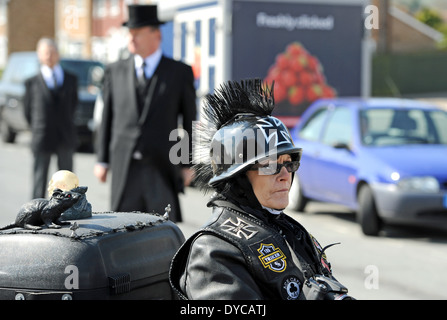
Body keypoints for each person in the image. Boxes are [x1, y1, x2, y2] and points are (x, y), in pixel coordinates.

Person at [169, 79, 353, 300]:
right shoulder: (213, 251)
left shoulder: (288, 229)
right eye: (271, 165)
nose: (285, 175)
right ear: (239, 177)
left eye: (290, 163)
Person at [94, 4, 196, 222]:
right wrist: (102, 160)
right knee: (121, 231)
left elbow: (188, 121)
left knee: (162, 233)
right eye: (130, 33)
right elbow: (107, 118)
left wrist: (187, 163)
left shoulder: (179, 72)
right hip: (125, 168)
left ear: (156, 35)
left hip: (161, 167)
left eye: (137, 33)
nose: (131, 39)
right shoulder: (115, 70)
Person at [24, 38, 78, 199]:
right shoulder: (32, 82)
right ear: (39, 56)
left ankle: (65, 211)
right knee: (40, 179)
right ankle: (37, 213)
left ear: (58, 54)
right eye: (45, 52)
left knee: (67, 180)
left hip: (65, 136)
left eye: (52, 52)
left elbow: (74, 105)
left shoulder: (71, 79)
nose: (49, 56)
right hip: (42, 136)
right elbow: (27, 111)